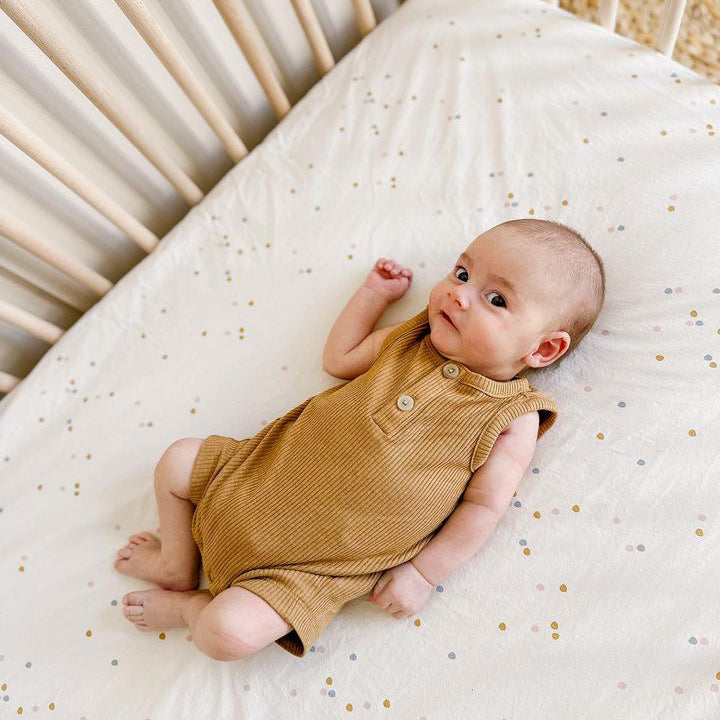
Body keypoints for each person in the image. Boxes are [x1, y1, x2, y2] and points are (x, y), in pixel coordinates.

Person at [114, 218, 605, 660]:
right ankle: (177, 561)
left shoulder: (511, 417)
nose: (459, 294)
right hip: (248, 476)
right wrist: (374, 295)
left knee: (226, 634)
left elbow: (482, 508)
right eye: (461, 273)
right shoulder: (412, 340)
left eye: (496, 299)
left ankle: (189, 609)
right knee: (178, 460)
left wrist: (423, 574)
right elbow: (340, 358)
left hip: (303, 570)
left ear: (543, 348)